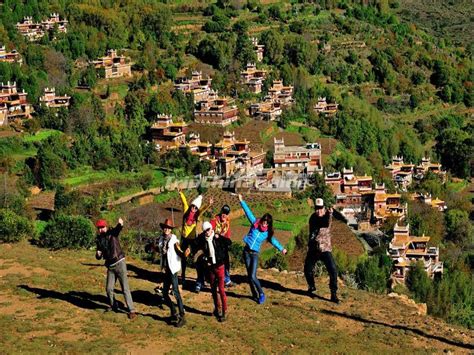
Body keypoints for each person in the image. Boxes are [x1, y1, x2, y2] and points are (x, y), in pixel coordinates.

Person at [238, 194, 287, 304]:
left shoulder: (267, 233)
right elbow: (248, 212)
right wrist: (242, 201)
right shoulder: (254, 223)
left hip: (254, 254)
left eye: (267, 222)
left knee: (252, 275)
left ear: (269, 224)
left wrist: (282, 249)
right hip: (246, 251)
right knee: (249, 276)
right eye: (264, 220)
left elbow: (273, 241)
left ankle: (261, 293)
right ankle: (254, 294)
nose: (264, 223)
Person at [95, 218, 137, 319]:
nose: (101, 230)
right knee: (109, 289)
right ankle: (114, 306)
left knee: (125, 288)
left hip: (120, 263)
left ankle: (131, 310)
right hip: (110, 266)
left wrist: (120, 224)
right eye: (99, 228)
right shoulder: (99, 240)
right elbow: (98, 255)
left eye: (102, 227)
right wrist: (98, 254)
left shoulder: (112, 233)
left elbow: (118, 229)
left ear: (106, 227)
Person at [155, 218, 190, 327]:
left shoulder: (174, 241)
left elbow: (179, 252)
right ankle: (174, 312)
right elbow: (159, 250)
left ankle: (182, 315)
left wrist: (185, 254)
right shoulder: (161, 239)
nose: (166, 229)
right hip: (166, 270)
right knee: (165, 293)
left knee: (175, 292)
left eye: (169, 228)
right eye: (165, 228)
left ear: (171, 230)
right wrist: (152, 247)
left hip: (173, 270)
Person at [304, 198, 339, 304]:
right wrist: (328, 213)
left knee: (333, 270)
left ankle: (333, 294)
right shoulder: (313, 218)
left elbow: (326, 224)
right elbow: (320, 223)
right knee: (307, 269)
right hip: (314, 248)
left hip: (325, 248)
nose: (318, 210)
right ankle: (312, 286)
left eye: (320, 208)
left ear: (324, 208)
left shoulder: (328, 217)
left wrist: (329, 213)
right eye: (317, 208)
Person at [195, 221, 232, 322]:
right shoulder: (203, 240)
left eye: (208, 229)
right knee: (213, 289)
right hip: (210, 268)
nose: (207, 232)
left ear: (211, 229)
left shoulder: (217, 238)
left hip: (220, 266)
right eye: (205, 231)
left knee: (221, 289)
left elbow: (229, 243)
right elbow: (195, 245)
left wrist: (220, 237)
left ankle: (225, 311)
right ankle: (217, 309)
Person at [178, 188, 213, 292]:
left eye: (195, 208)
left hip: (193, 240)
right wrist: (181, 193)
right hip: (184, 238)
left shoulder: (197, 214)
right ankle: (183, 276)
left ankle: (201, 279)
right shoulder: (186, 211)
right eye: (193, 206)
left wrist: (209, 204)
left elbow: (203, 209)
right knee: (183, 257)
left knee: (196, 259)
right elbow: (184, 202)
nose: (194, 208)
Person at [210, 204, 233, 287]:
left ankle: (227, 279)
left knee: (226, 262)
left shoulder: (227, 222)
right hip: (214, 246)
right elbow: (209, 230)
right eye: (223, 212)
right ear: (221, 212)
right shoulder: (214, 220)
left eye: (226, 213)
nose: (224, 215)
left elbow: (228, 234)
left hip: (223, 245)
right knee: (215, 263)